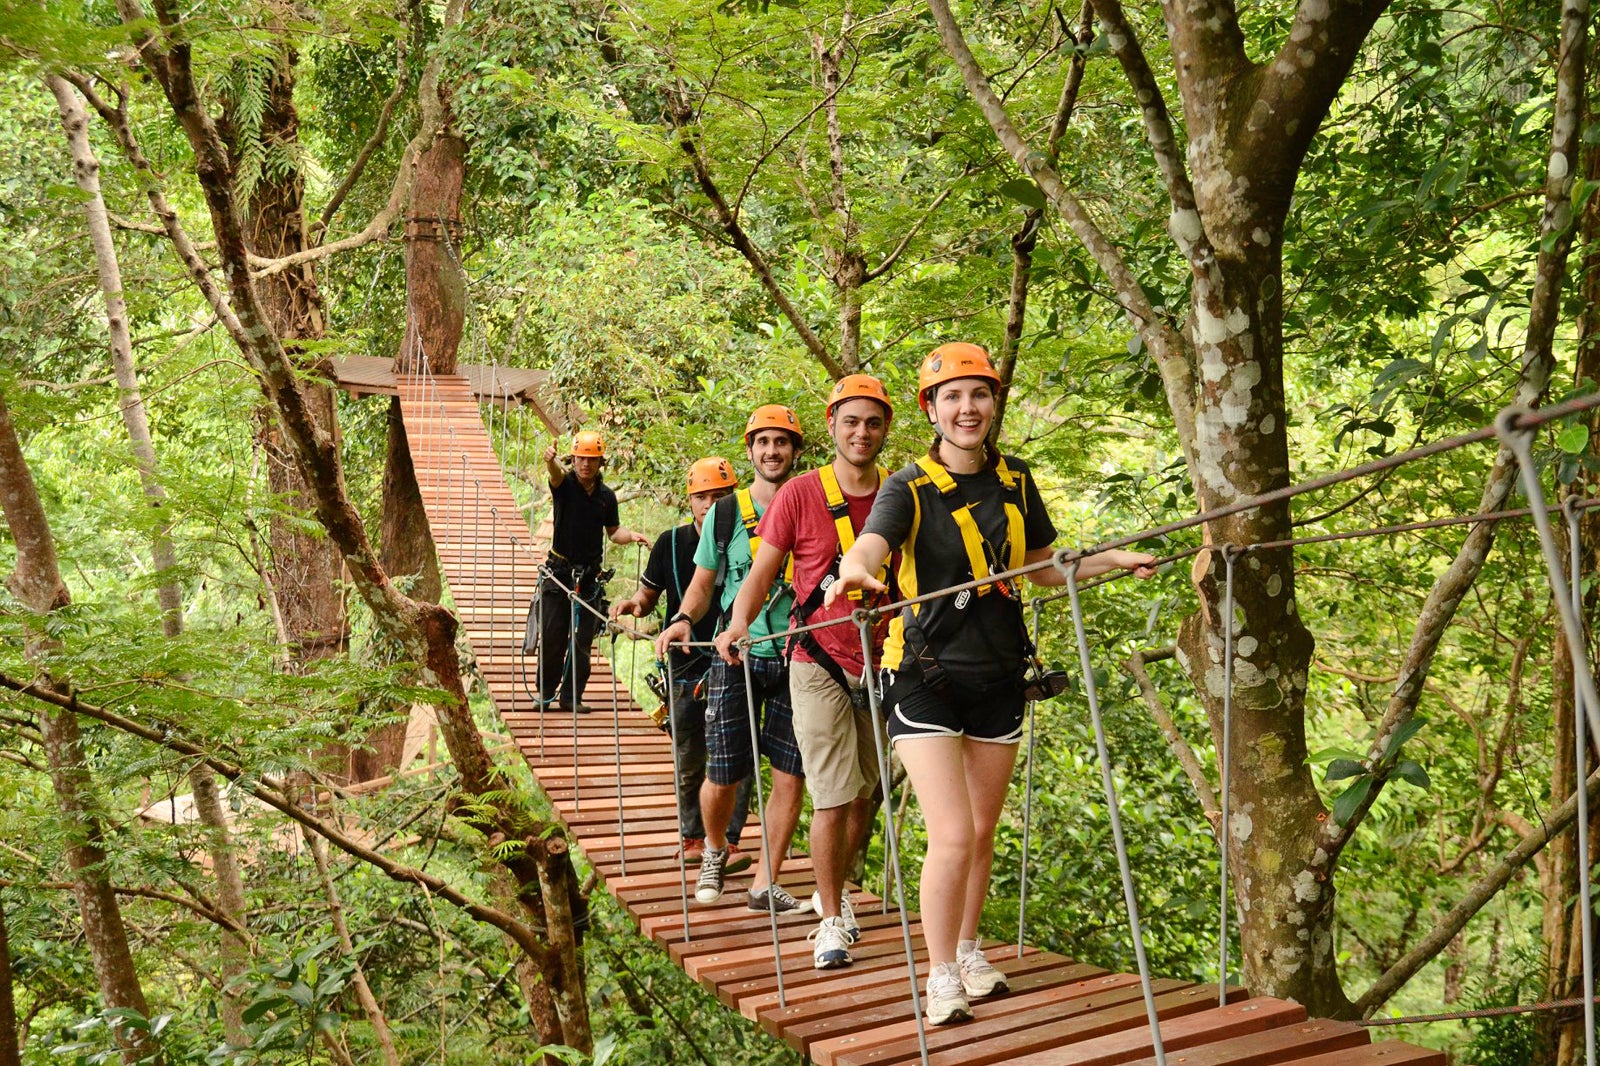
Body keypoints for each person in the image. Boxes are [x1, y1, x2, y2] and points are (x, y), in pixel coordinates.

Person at [825, 343, 1156, 1025]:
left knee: (980, 833)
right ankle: (939, 974)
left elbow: (1036, 564)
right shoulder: (907, 487)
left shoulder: (1016, 481)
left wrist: (1111, 559)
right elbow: (873, 546)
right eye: (952, 397)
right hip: (921, 675)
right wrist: (855, 568)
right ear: (930, 409)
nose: (967, 408)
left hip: (1000, 674)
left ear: (993, 403)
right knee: (950, 833)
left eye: (979, 395)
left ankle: (969, 950)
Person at [716, 375, 895, 970]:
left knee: (867, 792)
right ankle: (829, 922)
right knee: (833, 793)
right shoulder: (799, 493)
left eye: (872, 422)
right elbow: (762, 570)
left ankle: (831, 892)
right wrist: (740, 621)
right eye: (851, 422)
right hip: (814, 656)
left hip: (883, 660)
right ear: (832, 427)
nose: (861, 433)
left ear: (885, 429)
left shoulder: (900, 494)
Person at [656, 405, 811, 915]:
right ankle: (715, 848)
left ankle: (766, 881)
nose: (772, 451)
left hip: (799, 655)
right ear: (750, 451)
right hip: (734, 653)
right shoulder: (725, 515)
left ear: (794, 451)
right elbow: (704, 585)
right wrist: (681, 617)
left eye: (781, 442)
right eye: (763, 442)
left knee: (791, 775)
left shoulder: (813, 505)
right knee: (722, 773)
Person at [611, 457, 753, 868]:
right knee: (690, 755)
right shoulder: (670, 543)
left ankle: (728, 841)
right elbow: (649, 595)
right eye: (701, 496)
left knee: (735, 756)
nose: (709, 504)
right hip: (687, 664)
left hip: (734, 658)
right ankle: (693, 838)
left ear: (733, 499)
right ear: (689, 500)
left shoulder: (750, 540)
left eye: (720, 496)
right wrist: (634, 606)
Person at [532, 430, 649, 713]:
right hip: (558, 572)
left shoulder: (606, 497)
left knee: (583, 639)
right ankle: (546, 694)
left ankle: (572, 697)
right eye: (581, 459)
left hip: (588, 576)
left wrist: (631, 534)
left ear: (600, 463)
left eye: (592, 460)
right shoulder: (565, 484)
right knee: (552, 635)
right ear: (573, 460)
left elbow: (613, 532)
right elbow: (555, 475)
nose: (586, 464)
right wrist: (550, 460)